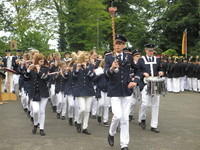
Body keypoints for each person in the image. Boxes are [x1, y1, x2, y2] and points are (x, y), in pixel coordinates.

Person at [105, 35, 140, 150]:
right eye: (116, 43)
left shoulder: (129, 56)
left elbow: (138, 69)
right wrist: (111, 68)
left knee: (125, 119)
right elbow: (106, 74)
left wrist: (135, 81)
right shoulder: (109, 57)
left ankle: (124, 144)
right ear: (113, 45)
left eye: (120, 44)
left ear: (124, 45)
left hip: (126, 90)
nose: (118, 46)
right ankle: (111, 132)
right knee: (118, 115)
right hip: (114, 90)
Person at [137, 43, 164, 133]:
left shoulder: (157, 59)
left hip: (156, 82)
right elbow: (138, 71)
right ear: (145, 50)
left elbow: (161, 68)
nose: (151, 52)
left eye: (152, 50)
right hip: (146, 83)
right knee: (145, 104)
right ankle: (142, 118)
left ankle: (154, 125)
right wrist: (143, 73)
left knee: (156, 105)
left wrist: (161, 72)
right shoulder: (141, 60)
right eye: (149, 50)